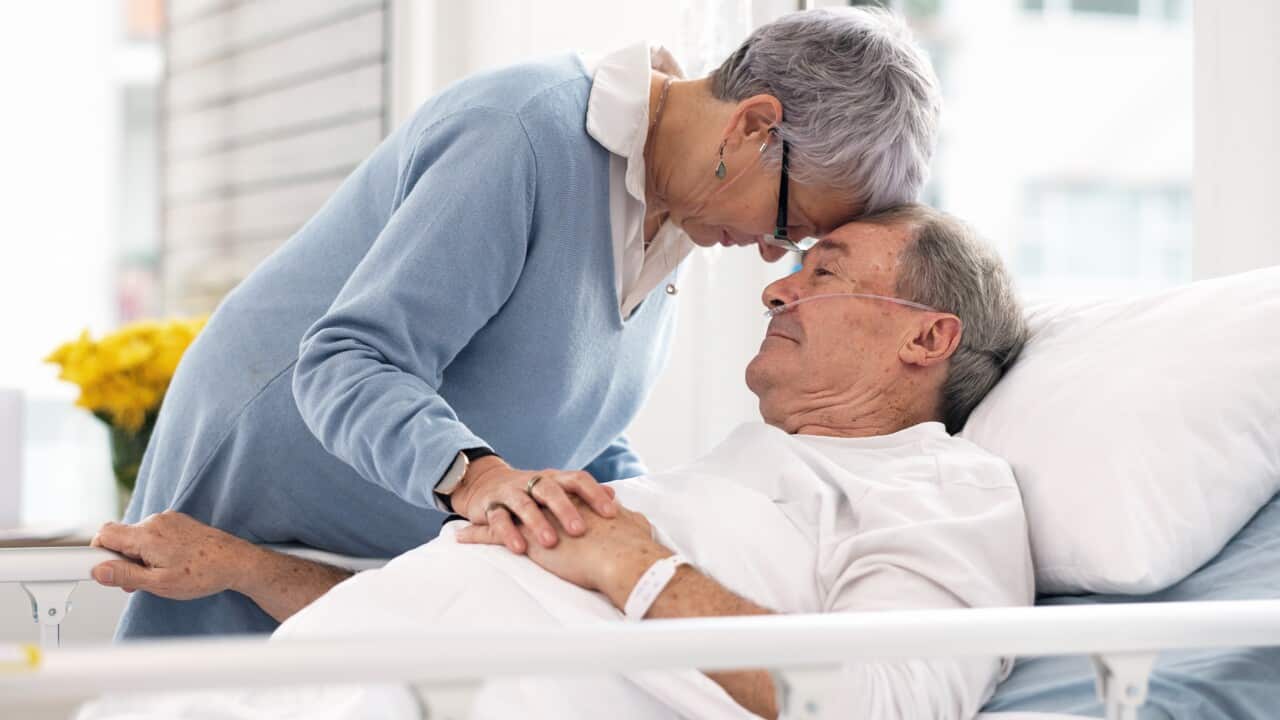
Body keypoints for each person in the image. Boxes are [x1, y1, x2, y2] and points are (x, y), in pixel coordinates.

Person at [112, 7, 942, 640]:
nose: (769, 256)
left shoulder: (677, 217)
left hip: (389, 554)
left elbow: (560, 410)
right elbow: (345, 361)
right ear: (753, 126)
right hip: (260, 506)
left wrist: (638, 511)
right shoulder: (523, 135)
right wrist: (479, 481)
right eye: (788, 226)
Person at [93, 206, 1033, 719]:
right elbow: (475, 608)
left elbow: (886, 702)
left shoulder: (944, 491)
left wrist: (637, 566)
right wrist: (245, 568)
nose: (777, 290)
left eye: (823, 272)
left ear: (928, 337)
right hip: (324, 681)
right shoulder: (717, 479)